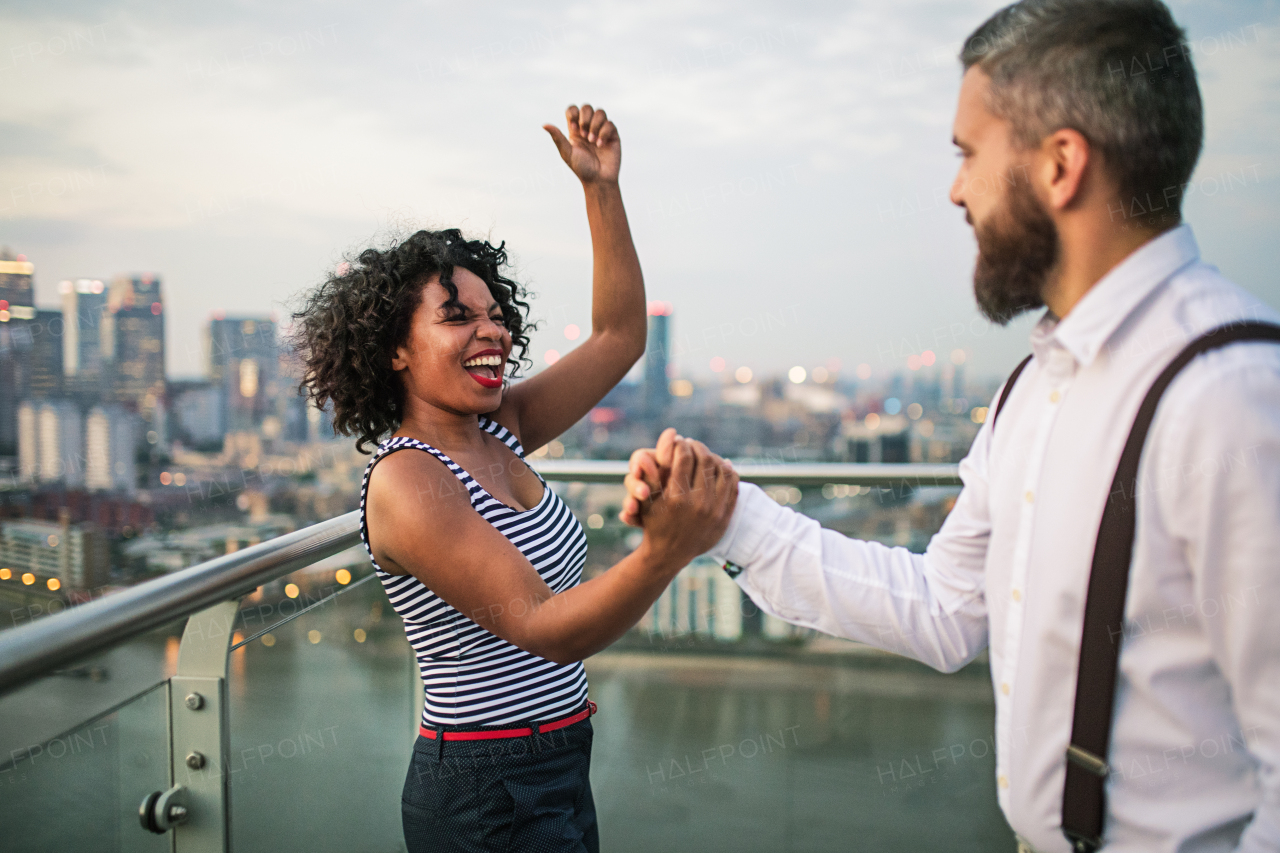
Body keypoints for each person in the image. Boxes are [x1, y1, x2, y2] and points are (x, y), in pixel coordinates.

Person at [623, 2, 1280, 851]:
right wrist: (730, 519)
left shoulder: (1233, 396)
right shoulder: (1030, 391)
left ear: (1060, 165)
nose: (955, 188)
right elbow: (944, 608)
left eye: (970, 153)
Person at [291, 104, 737, 853]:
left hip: (560, 751)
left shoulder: (501, 428)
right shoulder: (408, 479)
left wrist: (600, 189)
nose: (491, 330)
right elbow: (540, 627)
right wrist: (665, 550)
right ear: (395, 350)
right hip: (484, 787)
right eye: (457, 316)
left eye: (496, 315)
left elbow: (620, 336)